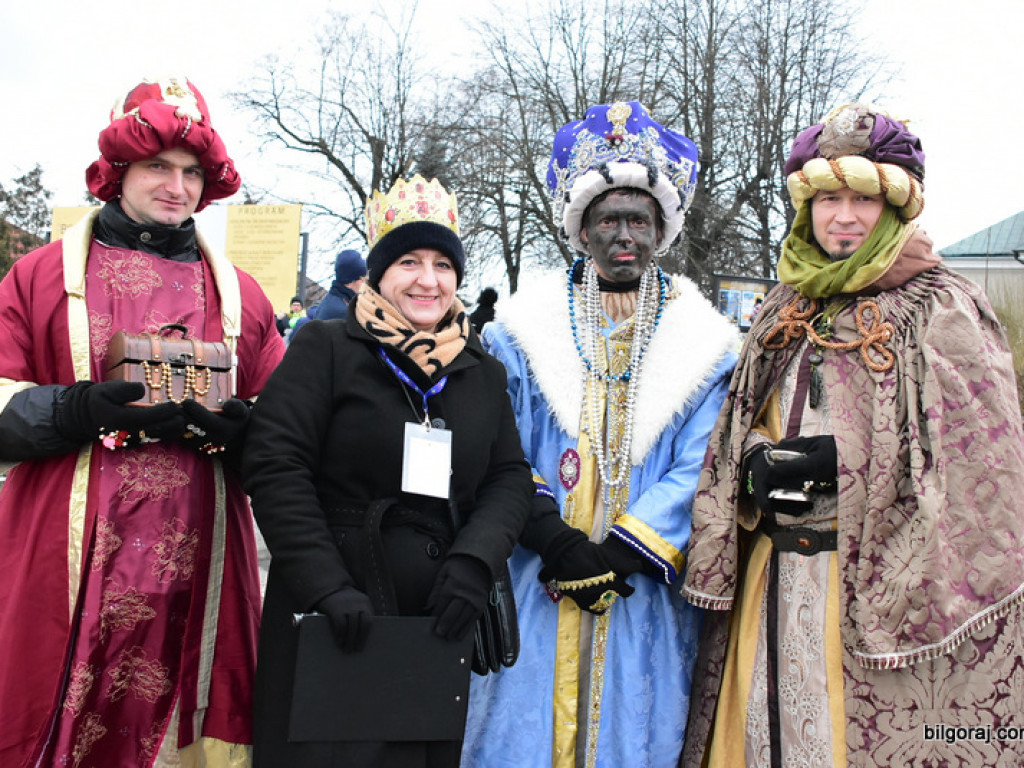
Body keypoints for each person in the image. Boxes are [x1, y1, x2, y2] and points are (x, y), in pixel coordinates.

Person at [682, 103, 1024, 767]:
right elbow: (735, 433)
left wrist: (826, 477)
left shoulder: (939, 306)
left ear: (894, 209)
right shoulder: (784, 307)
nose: (842, 217)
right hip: (770, 572)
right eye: (827, 198)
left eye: (862, 199)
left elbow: (985, 473)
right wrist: (755, 469)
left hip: (873, 594)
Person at [0, 75, 284, 767]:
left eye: (191, 172)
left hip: (203, 562)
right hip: (65, 560)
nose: (177, 187)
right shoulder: (36, 279)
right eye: (158, 166)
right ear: (119, 170)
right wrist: (71, 407)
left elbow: (288, 426)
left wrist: (245, 428)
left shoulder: (243, 297)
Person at [462, 101, 738, 768]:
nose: (624, 235)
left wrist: (623, 552)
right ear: (581, 230)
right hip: (537, 576)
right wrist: (557, 544)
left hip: (642, 588)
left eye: (638, 220)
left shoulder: (707, 348)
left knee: (637, 733)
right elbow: (502, 450)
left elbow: (704, 460)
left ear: (660, 230)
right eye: (608, 219)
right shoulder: (520, 337)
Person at [242, 173, 534, 768]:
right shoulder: (326, 348)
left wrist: (475, 562)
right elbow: (276, 463)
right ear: (378, 272)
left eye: (442, 264)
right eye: (408, 261)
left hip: (436, 619)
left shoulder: (480, 368)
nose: (429, 280)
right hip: (334, 609)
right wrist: (324, 583)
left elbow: (508, 476)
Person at [317, 248, 366, 321]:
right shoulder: (341, 312)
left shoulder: (336, 301)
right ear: (348, 283)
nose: (366, 284)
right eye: (362, 279)